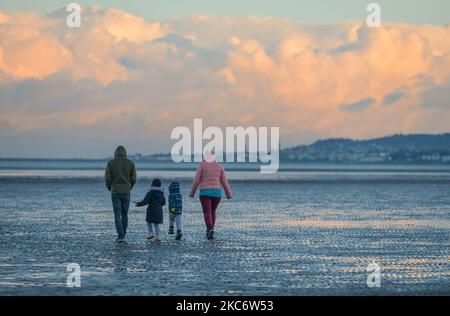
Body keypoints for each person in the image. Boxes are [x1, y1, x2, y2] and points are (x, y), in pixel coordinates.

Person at [189, 151, 232, 240]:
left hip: (205, 192)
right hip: (217, 193)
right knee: (212, 211)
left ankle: (209, 229)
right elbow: (224, 182)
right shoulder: (220, 166)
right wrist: (228, 194)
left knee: (207, 212)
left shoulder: (202, 165)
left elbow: (196, 180)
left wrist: (192, 193)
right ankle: (211, 228)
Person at [105, 146, 137, 243]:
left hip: (115, 191)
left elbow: (107, 178)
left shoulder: (110, 163)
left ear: (115, 153)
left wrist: (109, 187)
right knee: (125, 214)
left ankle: (121, 236)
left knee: (117, 215)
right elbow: (134, 178)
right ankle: (123, 235)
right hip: (126, 191)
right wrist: (130, 186)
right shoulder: (131, 163)